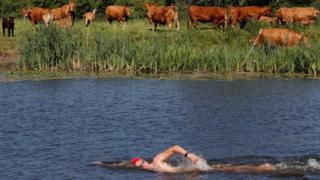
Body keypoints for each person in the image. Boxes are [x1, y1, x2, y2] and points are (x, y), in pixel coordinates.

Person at [131, 145, 276, 173]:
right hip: (190, 170)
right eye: (140, 166)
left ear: (144, 160)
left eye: (142, 162)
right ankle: (261, 167)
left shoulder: (156, 160)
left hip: (193, 167)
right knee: (225, 169)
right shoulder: (155, 170)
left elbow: (174, 148)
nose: (143, 166)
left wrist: (189, 156)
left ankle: (262, 168)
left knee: (228, 169)